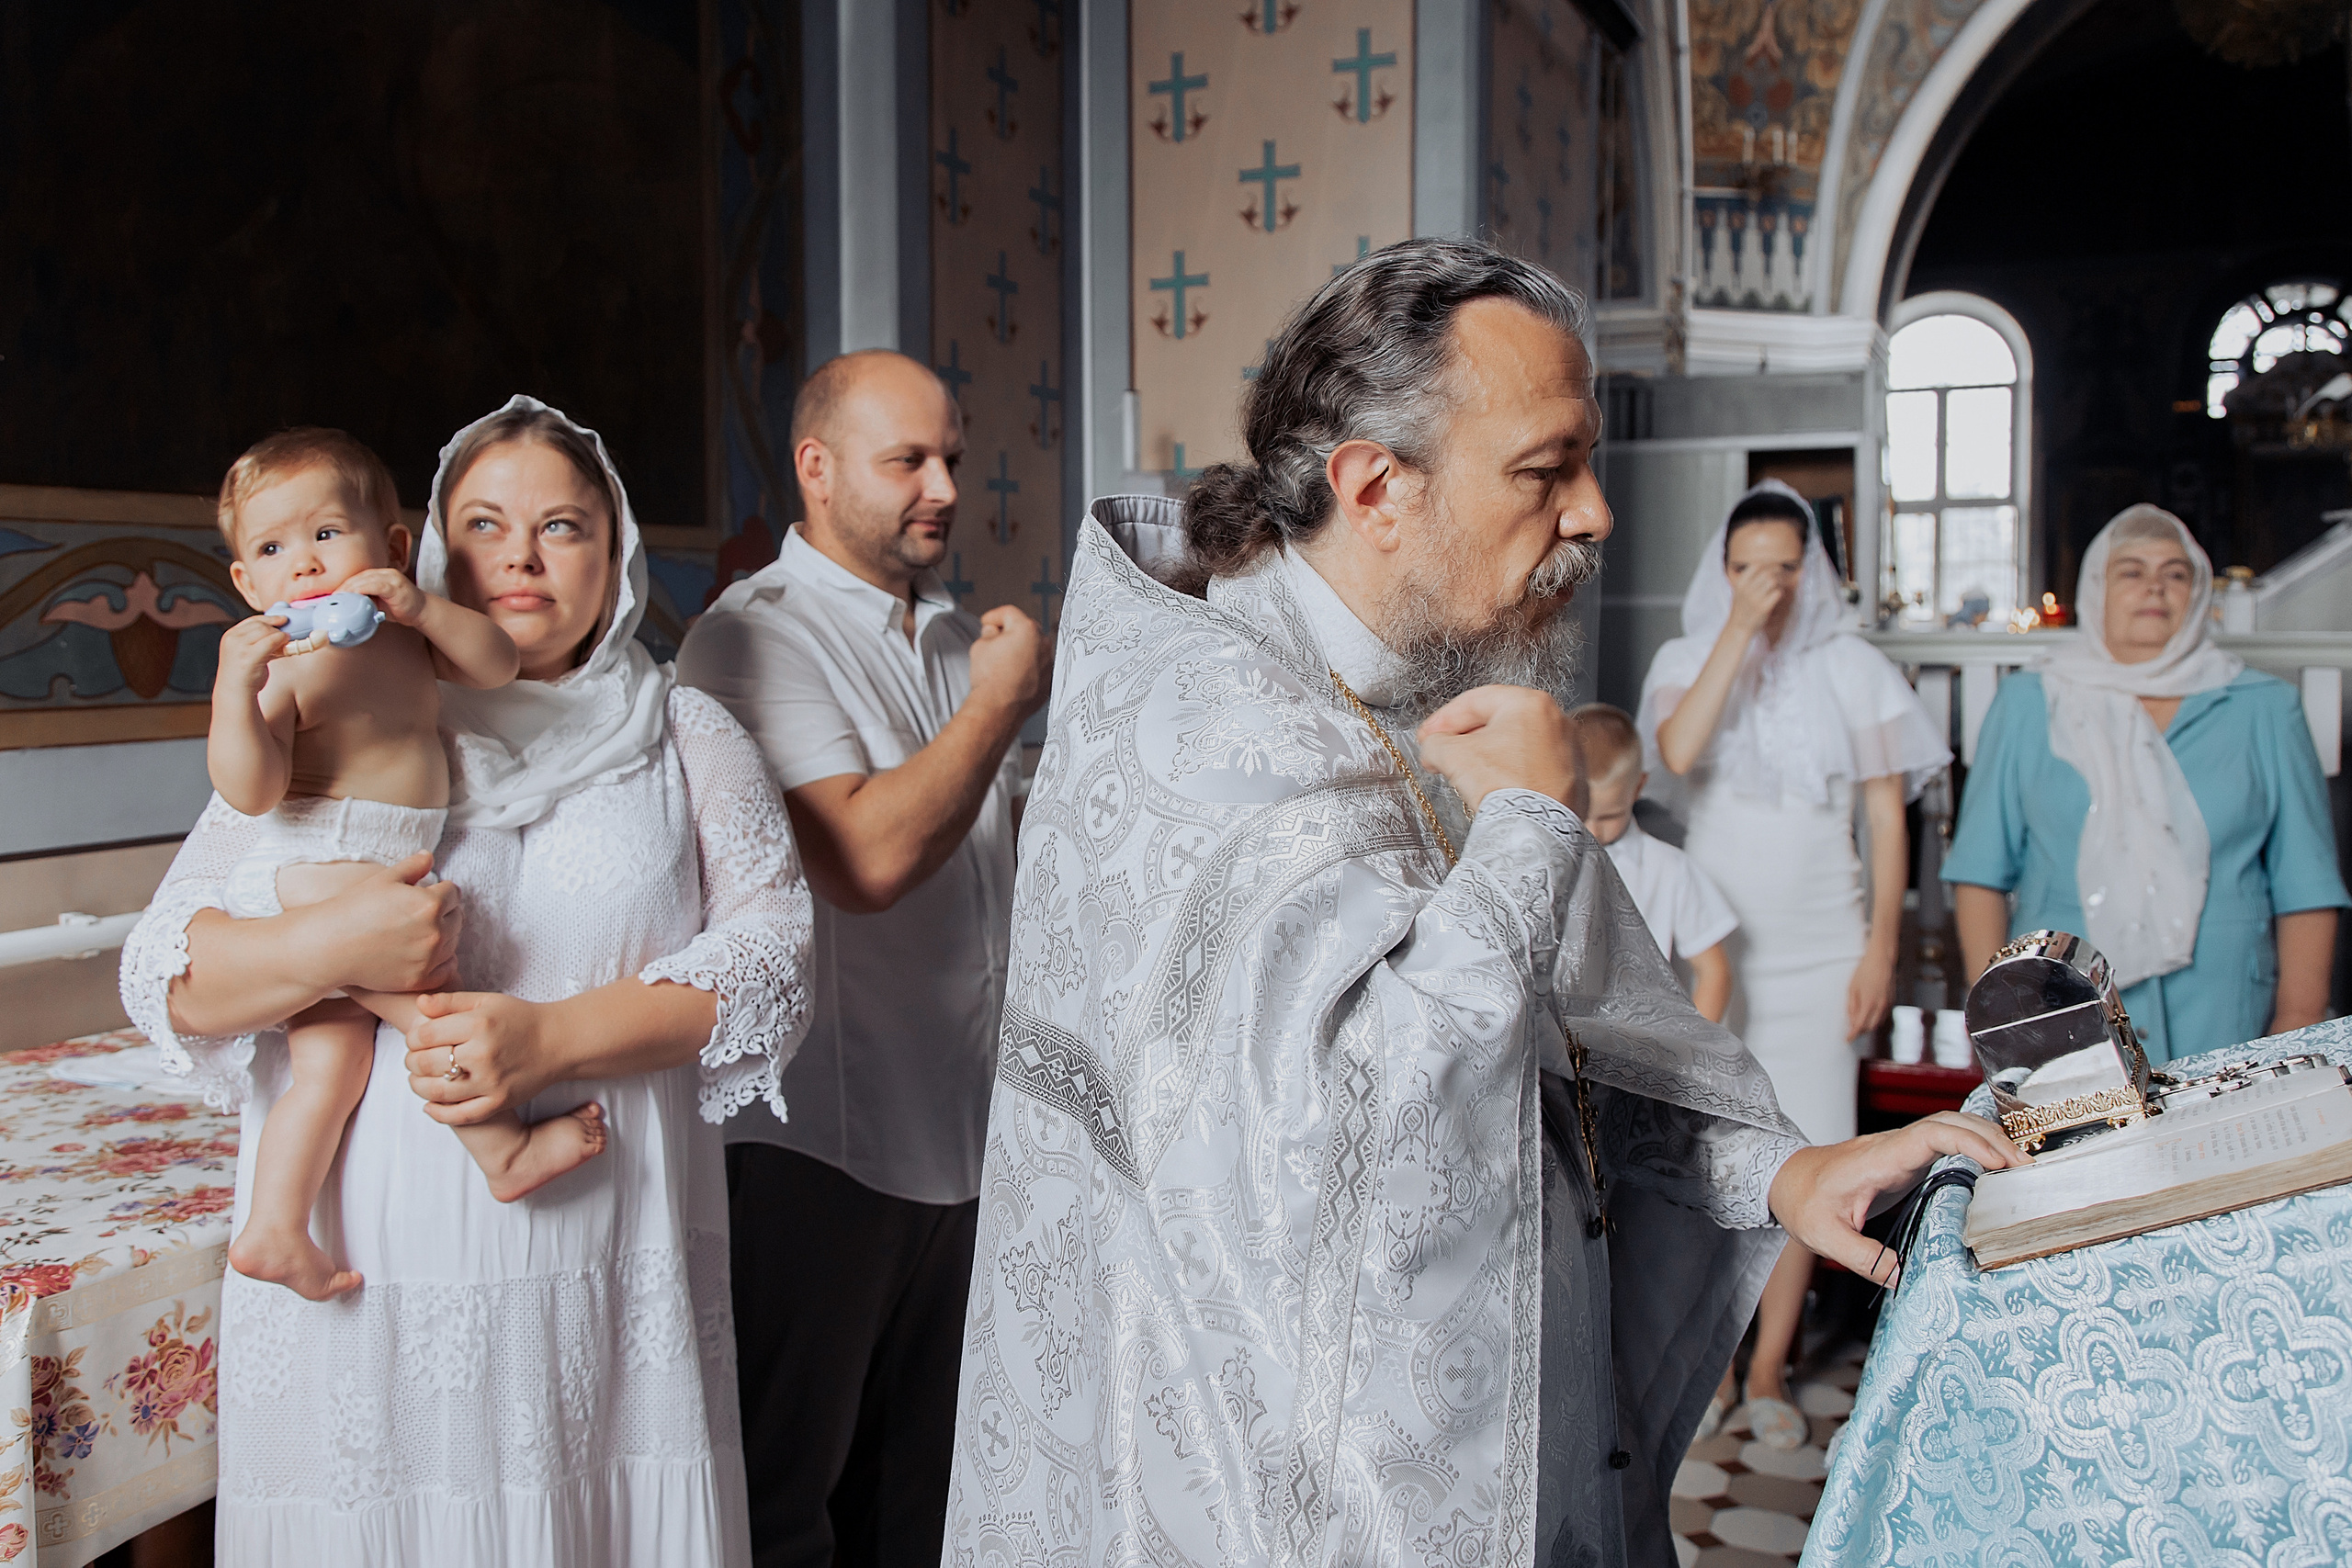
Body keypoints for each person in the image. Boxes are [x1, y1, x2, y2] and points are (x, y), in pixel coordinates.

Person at [941, 237, 2023, 1567]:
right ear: (1375, 487)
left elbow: (1562, 1044)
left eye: (1588, 464)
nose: (1596, 514)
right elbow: (1371, 1156)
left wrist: (1776, 1171)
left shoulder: (1415, 673)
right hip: (1264, 1486)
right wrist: (1529, 825)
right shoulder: (1197, 737)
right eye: (1544, 470)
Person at [119, 396, 815, 1563]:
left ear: (615, 550)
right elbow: (167, 972)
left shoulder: (682, 731)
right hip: (368, 1282)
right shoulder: (340, 696)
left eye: (563, 526)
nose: (522, 558)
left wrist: (551, 1041)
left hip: (602, 1278)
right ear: (434, 546)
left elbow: (774, 961)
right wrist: (331, 951)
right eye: (485, 525)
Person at [676, 350, 1051, 1568]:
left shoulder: (954, 636)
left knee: (925, 1496)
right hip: (821, 1143)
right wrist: (1000, 705)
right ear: (818, 467)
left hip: (965, 1127)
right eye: (909, 461)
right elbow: (868, 858)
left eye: (951, 456)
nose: (944, 487)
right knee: (788, 1503)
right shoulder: (748, 639)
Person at [207, 429, 615, 1303]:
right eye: (273, 550)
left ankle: (274, 1225)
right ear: (245, 582)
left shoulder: (405, 635)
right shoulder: (288, 668)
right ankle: (503, 1149)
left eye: (326, 534)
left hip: (372, 860)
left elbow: (496, 663)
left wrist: (424, 609)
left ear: (393, 547)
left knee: (330, 1067)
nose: (304, 564)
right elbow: (250, 790)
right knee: (434, 1010)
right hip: (325, 862)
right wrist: (233, 694)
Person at [1637, 479, 1950, 1450]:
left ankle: (1771, 1362)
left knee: (1814, 1146)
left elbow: (1886, 820)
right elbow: (1676, 752)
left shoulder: (1853, 667)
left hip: (1823, 947)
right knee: (1709, 1147)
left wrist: (1881, 949)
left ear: (1813, 572)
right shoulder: (1687, 656)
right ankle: (1709, 1363)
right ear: (1722, 572)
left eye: (1782, 569)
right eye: (1745, 569)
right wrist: (1737, 629)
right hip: (1714, 949)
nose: (1765, 586)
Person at [1946, 503, 2346, 1060]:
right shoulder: (2029, 703)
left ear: (2198, 594)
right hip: (2058, 1013)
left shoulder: (2266, 708)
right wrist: (1998, 1023)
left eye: (2175, 574)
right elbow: (1979, 873)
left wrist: (2298, 1022)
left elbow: (2307, 884)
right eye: (2131, 572)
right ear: (2096, 590)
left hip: (2227, 1014)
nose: (2154, 588)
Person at [1568, 702, 1736, 1021]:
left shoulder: (1670, 869)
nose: (1593, 830)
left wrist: (1690, 1048)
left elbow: (1715, 973)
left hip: (1641, 1038)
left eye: (1609, 816)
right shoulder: (1539, 859)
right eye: (1580, 813)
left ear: (1638, 788)